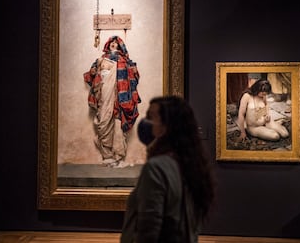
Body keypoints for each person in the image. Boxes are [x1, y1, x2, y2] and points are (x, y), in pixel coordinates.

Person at [121, 96, 215, 243]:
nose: (145, 122)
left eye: (151, 117)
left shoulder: (156, 168)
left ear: (168, 125)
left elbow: (148, 229)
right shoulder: (189, 163)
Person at [84, 35, 141, 168]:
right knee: (103, 122)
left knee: (119, 126)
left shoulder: (125, 61)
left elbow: (134, 78)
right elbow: (91, 76)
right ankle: (107, 156)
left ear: (120, 46)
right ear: (108, 45)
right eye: (112, 43)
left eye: (116, 43)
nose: (113, 44)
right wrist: (94, 72)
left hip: (120, 99)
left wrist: (133, 70)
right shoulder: (100, 60)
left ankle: (119, 156)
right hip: (104, 97)